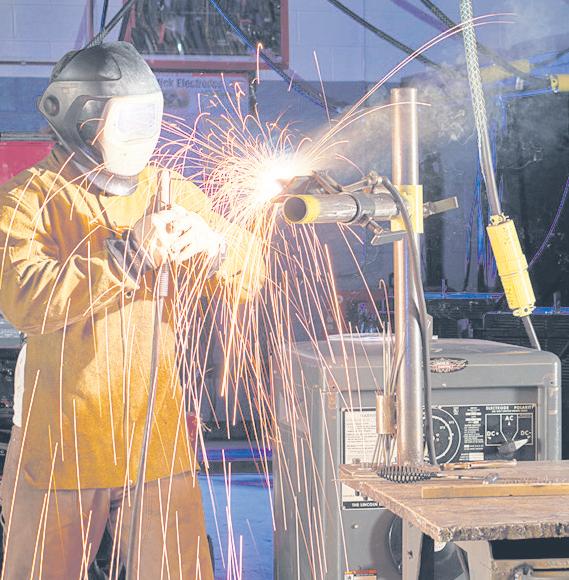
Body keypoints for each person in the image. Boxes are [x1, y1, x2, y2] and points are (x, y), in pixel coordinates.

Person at [0, 41, 264, 579]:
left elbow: (251, 272)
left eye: (149, 119)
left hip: (155, 439)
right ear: (78, 117)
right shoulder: (28, 199)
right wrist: (127, 253)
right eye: (128, 121)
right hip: (62, 442)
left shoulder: (167, 191)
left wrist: (215, 245)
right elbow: (24, 297)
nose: (141, 136)